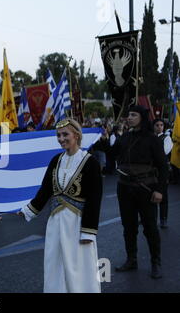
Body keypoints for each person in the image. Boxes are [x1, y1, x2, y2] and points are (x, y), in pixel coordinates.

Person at [20, 118, 103, 293]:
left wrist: (88, 232)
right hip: (55, 223)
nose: (61, 138)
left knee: (79, 265)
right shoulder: (55, 160)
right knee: (54, 263)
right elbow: (45, 191)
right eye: (58, 135)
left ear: (77, 135)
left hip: (77, 224)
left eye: (65, 134)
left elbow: (95, 199)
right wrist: (27, 211)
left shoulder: (90, 162)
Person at [110, 106, 168, 279]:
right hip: (124, 188)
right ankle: (131, 259)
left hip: (146, 188)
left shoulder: (152, 139)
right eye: (129, 114)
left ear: (142, 117)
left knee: (150, 227)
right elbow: (111, 154)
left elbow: (163, 167)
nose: (129, 117)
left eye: (133, 115)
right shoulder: (125, 137)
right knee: (129, 226)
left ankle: (155, 262)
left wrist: (159, 191)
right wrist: (105, 140)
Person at [153, 119, 173, 229]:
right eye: (157, 125)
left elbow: (164, 151)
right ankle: (151, 218)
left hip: (162, 171)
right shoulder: (150, 137)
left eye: (161, 125)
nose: (159, 127)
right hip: (151, 171)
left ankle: (163, 219)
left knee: (163, 196)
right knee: (149, 195)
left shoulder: (166, 138)